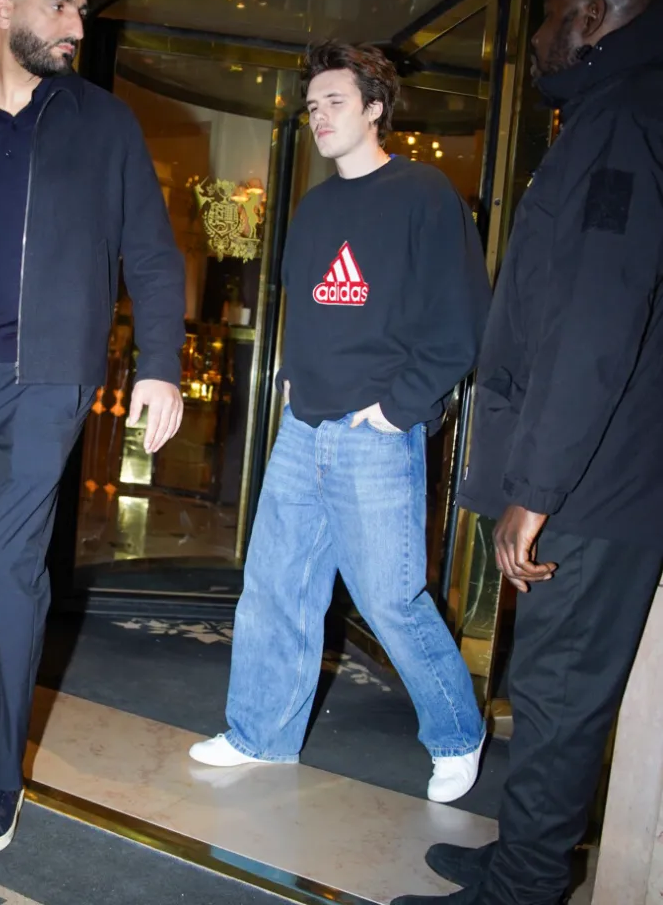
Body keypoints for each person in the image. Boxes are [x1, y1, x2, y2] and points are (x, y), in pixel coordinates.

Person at [391, 0, 663, 905]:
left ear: (595, 19)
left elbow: (594, 321)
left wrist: (534, 493)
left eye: (552, 17)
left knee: (558, 690)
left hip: (596, 481)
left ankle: (527, 886)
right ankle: (522, 857)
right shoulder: (608, 117)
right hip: (599, 468)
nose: (540, 37)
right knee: (551, 683)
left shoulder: (622, 125)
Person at [189, 40, 491, 801]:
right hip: (304, 430)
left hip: (377, 436)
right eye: (313, 104)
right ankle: (261, 732)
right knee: (276, 588)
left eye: (335, 102)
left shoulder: (426, 196)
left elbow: (462, 324)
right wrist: (294, 384)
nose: (318, 116)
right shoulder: (316, 207)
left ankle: (458, 732)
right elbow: (311, 308)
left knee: (391, 598)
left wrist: (396, 412)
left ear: (375, 108)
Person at [0, 0, 186, 855]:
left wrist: (161, 364)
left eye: (83, 10)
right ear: (2, 8)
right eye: (62, 6)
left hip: (48, 378)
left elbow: (152, 252)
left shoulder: (106, 124)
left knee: (5, 562)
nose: (77, 24)